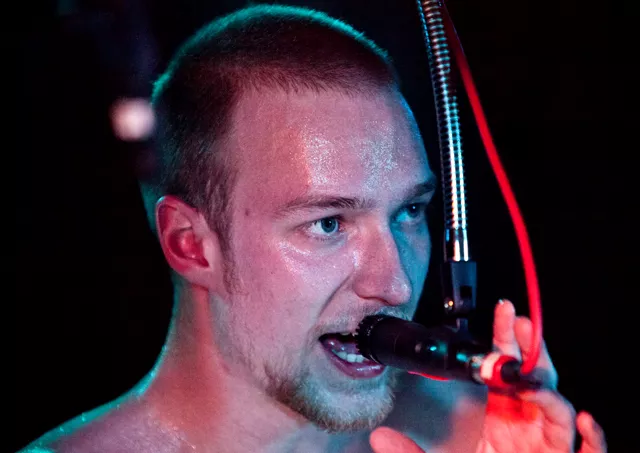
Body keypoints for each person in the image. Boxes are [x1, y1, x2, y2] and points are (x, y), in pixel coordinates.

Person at [19, 4, 607, 453]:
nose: (396, 285)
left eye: (409, 212)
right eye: (328, 223)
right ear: (190, 244)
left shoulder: (480, 432)